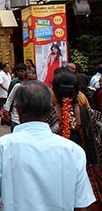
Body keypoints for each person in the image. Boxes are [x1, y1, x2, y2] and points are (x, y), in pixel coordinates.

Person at [0, 80, 96, 211]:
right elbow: (81, 205)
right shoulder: (74, 151)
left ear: (17, 110)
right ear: (49, 110)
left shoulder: (1, 148)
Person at [51, 72, 102, 210]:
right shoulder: (94, 116)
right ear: (78, 92)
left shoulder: (48, 118)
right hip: (88, 176)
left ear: (54, 92)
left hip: (56, 178)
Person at [3, 63, 28, 131]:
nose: (20, 73)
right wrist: (7, 111)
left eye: (22, 71)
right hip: (15, 115)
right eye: (18, 71)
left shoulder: (31, 84)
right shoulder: (15, 84)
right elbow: (10, 98)